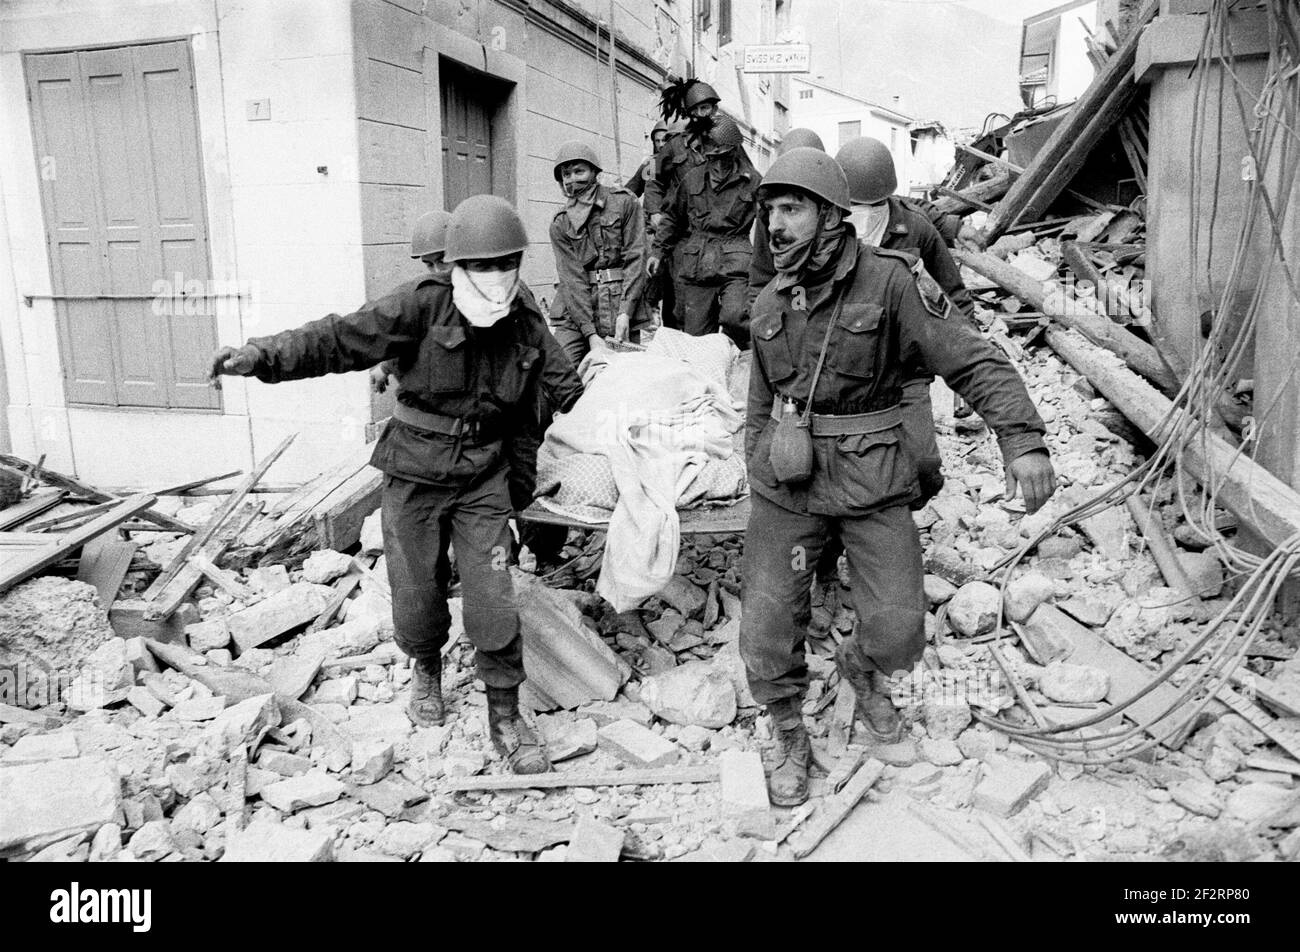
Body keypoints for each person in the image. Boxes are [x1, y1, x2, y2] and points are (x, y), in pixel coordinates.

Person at [209, 194, 584, 775]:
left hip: (483, 474)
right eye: (480, 266)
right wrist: (261, 356)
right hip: (413, 472)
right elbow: (338, 338)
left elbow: (564, 391)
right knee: (416, 588)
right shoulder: (419, 307)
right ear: (455, 267)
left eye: (505, 264)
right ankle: (426, 665)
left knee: (492, 592)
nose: (495, 277)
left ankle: (505, 715)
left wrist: (633, 418)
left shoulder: (526, 319)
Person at [741, 148, 1056, 806]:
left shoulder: (889, 283)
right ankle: (788, 729)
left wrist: (1021, 439)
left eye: (791, 208)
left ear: (831, 215)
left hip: (870, 477)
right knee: (768, 620)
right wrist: (762, 474)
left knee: (900, 630)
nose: (776, 222)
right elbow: (757, 407)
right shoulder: (769, 298)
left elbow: (971, 359)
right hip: (789, 484)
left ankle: (863, 668)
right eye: (771, 209)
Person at [836, 135, 976, 504]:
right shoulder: (825, 227)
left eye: (873, 205)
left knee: (924, 466)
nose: (862, 213)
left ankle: (902, 507)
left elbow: (953, 294)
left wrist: (967, 369)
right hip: (843, 370)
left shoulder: (915, 228)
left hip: (905, 370)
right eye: (853, 205)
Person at [650, 114, 758, 347]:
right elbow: (672, 217)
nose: (718, 164)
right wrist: (658, 251)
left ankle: (737, 366)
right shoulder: (692, 178)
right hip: (698, 262)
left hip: (736, 260)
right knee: (695, 335)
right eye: (713, 158)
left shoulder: (752, 181)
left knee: (736, 318)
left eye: (724, 157)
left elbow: (770, 224)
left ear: (734, 151)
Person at [547, 140, 648, 368]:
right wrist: (590, 334)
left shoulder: (624, 203)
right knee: (560, 371)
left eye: (579, 171)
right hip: (576, 310)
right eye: (566, 174)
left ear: (594, 171)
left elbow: (636, 258)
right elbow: (571, 279)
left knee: (625, 373)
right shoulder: (561, 223)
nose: (573, 179)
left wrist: (626, 312)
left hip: (620, 301)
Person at [370, 210, 452, 395]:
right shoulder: (428, 299)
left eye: (443, 260)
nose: (438, 271)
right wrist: (385, 367)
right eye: (429, 264)